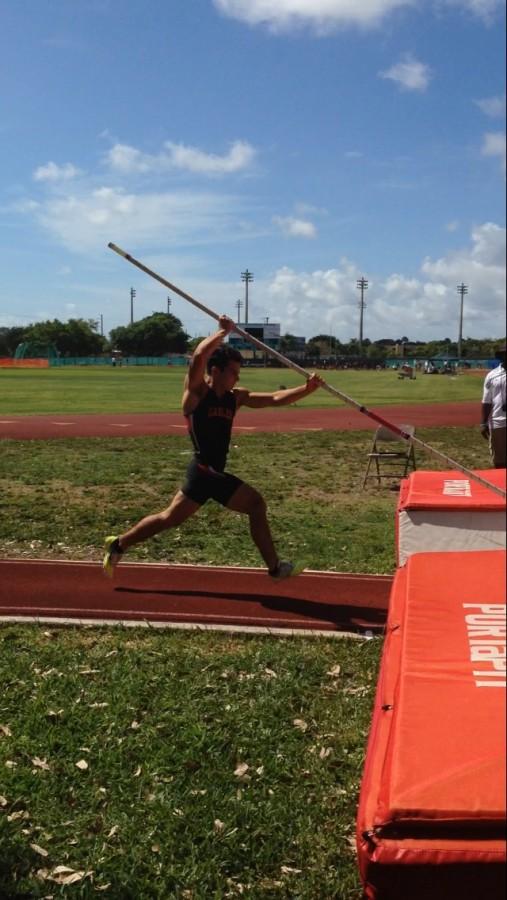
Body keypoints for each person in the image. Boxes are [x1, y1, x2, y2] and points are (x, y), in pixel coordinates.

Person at [103, 315, 324, 579]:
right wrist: (221, 333)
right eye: (233, 372)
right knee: (255, 504)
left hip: (206, 473)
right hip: (206, 471)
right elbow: (198, 357)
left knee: (169, 519)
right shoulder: (197, 394)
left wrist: (307, 388)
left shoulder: (235, 398)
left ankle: (118, 544)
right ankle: (276, 568)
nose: (236, 377)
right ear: (216, 371)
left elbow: (275, 398)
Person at [480, 344, 506, 468]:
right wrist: (483, 423)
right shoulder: (492, 375)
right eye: (504, 353)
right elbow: (487, 401)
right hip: (498, 421)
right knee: (499, 460)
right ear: (500, 356)